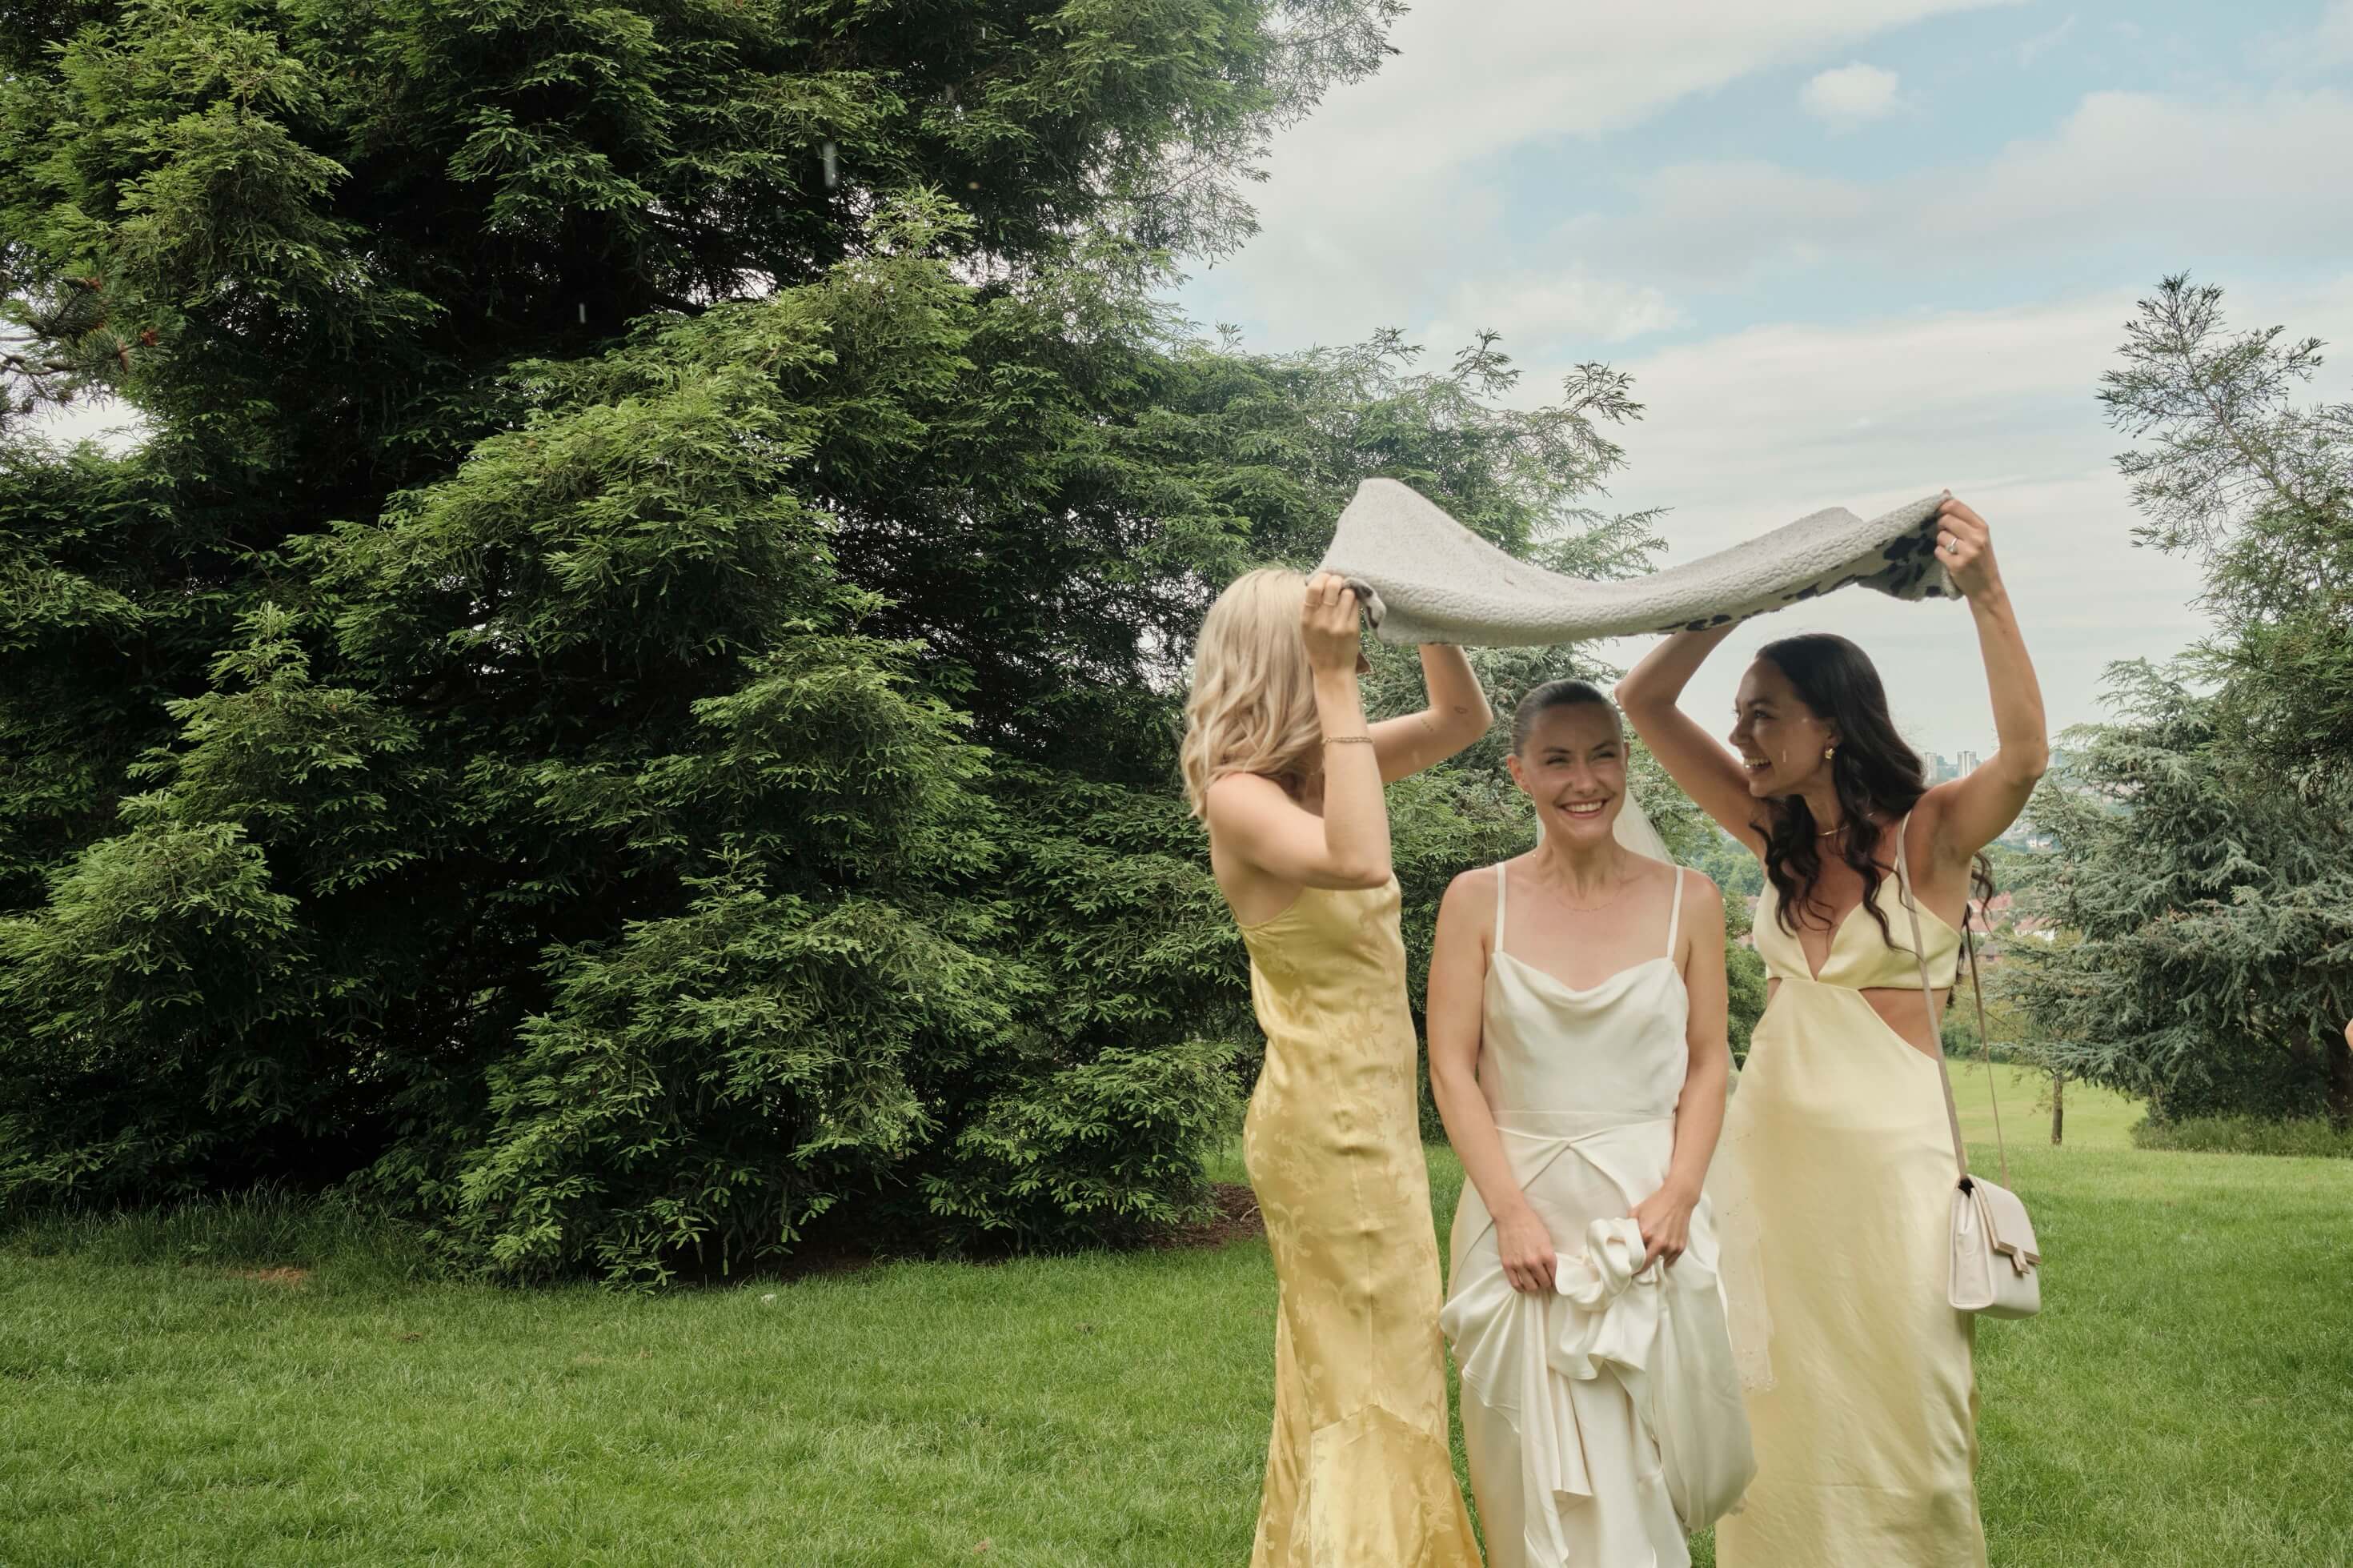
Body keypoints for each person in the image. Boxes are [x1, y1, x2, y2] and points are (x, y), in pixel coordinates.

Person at [1614, 498, 2048, 1567]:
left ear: (1833, 725)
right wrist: (1742, 597)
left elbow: (2026, 755)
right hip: (1767, 1172)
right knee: (1772, 1417)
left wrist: (1987, 591)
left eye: (1764, 714)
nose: (1740, 736)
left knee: (1909, 1422)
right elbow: (1642, 699)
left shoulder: (1933, 834)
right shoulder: (1775, 833)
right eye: (1740, 715)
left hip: (1892, 1181)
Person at [1182, 567, 1489, 1567]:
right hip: (1329, 1129)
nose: (1353, 654)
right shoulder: (1239, 797)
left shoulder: (1327, 771)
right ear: (1288, 659)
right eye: (1331, 646)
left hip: (1368, 1123)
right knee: (1377, 1376)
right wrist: (1336, 683)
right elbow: (1360, 861)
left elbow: (1462, 720)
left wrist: (1425, 604)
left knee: (1358, 1370)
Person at [1427, 679, 1754, 1568]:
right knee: (1522, 1484)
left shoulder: (1691, 899)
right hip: (1517, 1224)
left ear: (1626, 762)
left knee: (1640, 1484)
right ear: (1520, 773)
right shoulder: (1475, 900)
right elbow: (1451, 1067)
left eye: (1603, 756)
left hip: (1646, 1223)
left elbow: (1707, 1061)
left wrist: (1681, 1193)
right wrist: (1510, 1214)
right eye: (1559, 761)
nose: (1585, 781)